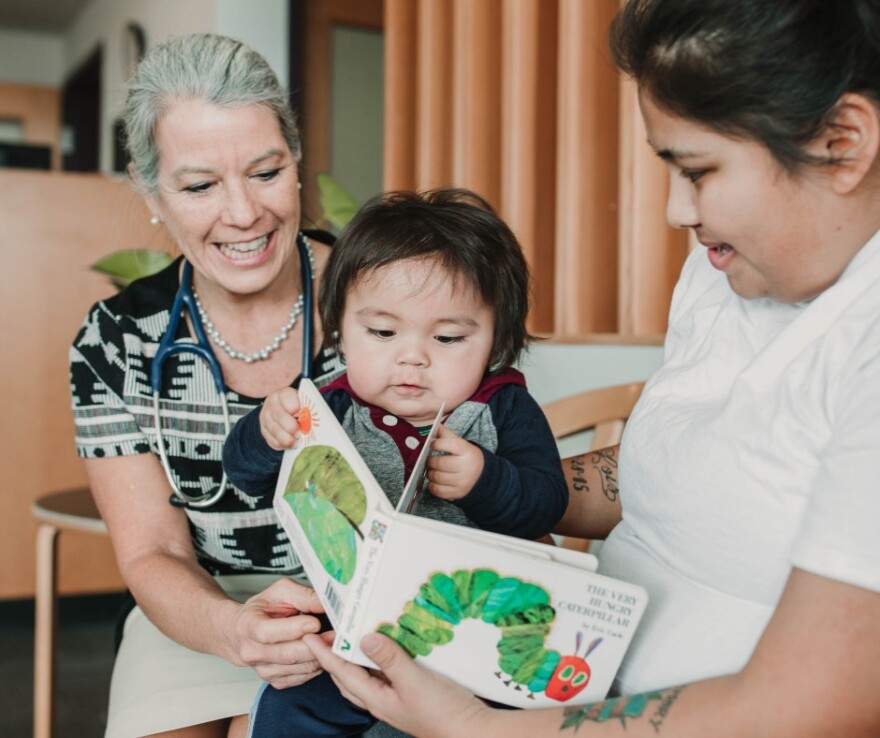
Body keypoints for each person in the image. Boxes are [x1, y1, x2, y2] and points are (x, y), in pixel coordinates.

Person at [301, 1, 880, 736]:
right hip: (538, 674)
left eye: (697, 172)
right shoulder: (724, 265)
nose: (676, 211)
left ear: (843, 144)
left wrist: (475, 728)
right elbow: (686, 470)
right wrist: (441, 498)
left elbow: (811, 703)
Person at [68, 33, 369, 738]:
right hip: (200, 610)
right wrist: (234, 629)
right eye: (200, 186)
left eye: (265, 172)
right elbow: (155, 553)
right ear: (152, 195)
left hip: (363, 609)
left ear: (296, 165)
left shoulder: (380, 299)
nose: (242, 214)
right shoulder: (114, 342)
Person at [222, 187, 569, 737]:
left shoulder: (502, 408)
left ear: (496, 340)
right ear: (339, 326)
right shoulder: (327, 402)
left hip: (473, 644)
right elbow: (245, 474)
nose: (412, 357)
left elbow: (546, 503)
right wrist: (266, 433)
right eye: (381, 332)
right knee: (289, 713)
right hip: (349, 634)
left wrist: (486, 478)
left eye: (449, 337)